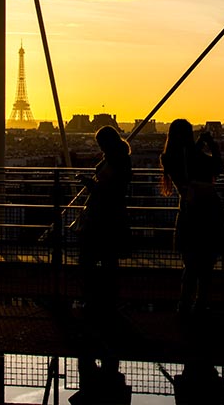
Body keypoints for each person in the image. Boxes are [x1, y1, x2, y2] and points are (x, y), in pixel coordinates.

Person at [160, 119, 224, 316]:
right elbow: (217, 166)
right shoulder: (196, 156)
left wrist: (196, 145)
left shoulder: (168, 158)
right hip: (210, 209)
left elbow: (186, 161)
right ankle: (201, 303)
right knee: (206, 264)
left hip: (189, 212)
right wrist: (210, 144)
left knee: (190, 263)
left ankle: (184, 303)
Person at [76, 125, 132, 312]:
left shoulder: (114, 161)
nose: (99, 146)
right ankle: (108, 299)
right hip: (113, 214)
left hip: (101, 214)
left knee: (88, 258)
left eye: (101, 143)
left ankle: (92, 298)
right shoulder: (121, 159)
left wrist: (90, 184)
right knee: (109, 259)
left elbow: (109, 189)